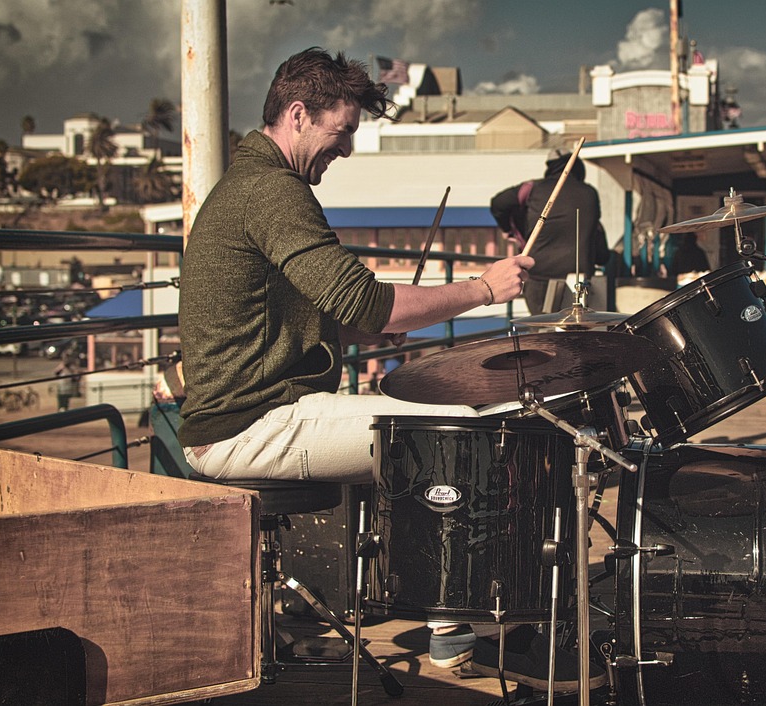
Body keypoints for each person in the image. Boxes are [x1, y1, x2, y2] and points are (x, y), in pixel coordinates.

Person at [177, 47, 598, 693]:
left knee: (441, 421)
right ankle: (463, 631)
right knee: (463, 433)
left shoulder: (249, 185)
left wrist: (393, 325)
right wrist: (482, 289)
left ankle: (452, 615)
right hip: (250, 426)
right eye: (340, 131)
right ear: (298, 113)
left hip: (253, 413)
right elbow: (367, 303)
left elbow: (337, 318)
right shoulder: (271, 191)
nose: (343, 149)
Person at [490, 149, 609, 314]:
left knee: (542, 332)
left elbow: (499, 202)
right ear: (579, 168)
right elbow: (599, 240)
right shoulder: (590, 193)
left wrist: (509, 230)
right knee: (574, 332)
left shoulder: (533, 188)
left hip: (537, 275)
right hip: (578, 278)